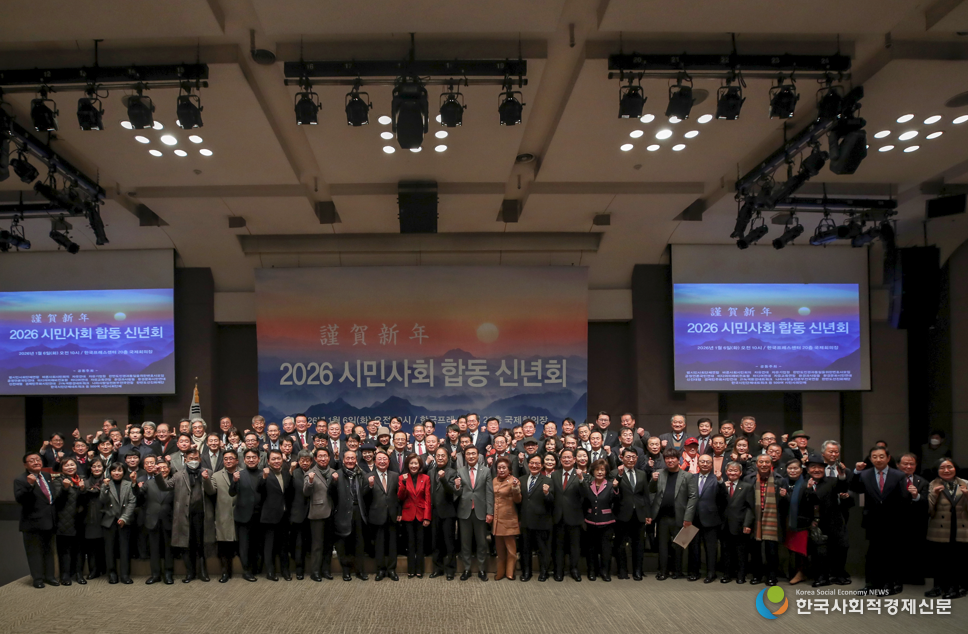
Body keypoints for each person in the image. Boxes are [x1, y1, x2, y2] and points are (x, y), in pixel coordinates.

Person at [850, 446, 908, 595]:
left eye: (881, 456)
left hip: (892, 521)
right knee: (872, 553)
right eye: (874, 457)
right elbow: (855, 488)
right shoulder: (864, 474)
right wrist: (856, 472)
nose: (878, 459)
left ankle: (889, 584)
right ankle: (871, 584)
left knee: (890, 553)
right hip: (872, 520)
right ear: (870, 459)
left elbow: (903, 498)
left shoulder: (899, 475)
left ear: (888, 458)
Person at [159, 447, 216, 583]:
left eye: (196, 459)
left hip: (202, 515)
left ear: (200, 459)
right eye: (190, 459)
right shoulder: (179, 475)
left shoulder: (207, 472)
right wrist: (157, 475)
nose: (193, 461)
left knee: (200, 544)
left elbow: (212, 492)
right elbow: (165, 486)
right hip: (184, 515)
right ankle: (190, 573)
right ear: (185, 460)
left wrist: (206, 479)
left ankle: (203, 572)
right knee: (187, 544)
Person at [803, 454, 850, 588]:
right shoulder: (804, 483)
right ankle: (821, 577)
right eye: (813, 467)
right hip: (814, 523)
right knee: (819, 553)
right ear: (808, 469)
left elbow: (842, 487)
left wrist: (842, 475)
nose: (816, 470)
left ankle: (838, 575)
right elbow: (805, 503)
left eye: (820, 467)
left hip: (834, 520)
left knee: (840, 549)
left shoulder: (832, 481)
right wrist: (808, 489)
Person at [650, 447, 698, 580]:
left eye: (673, 458)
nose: (670, 461)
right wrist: (653, 480)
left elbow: (693, 497)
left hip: (681, 516)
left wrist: (688, 517)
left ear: (678, 460)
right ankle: (663, 571)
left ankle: (677, 571)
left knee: (679, 545)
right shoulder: (659, 473)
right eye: (667, 458)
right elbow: (651, 491)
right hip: (662, 517)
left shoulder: (687, 476)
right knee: (663, 546)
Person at [925, 458, 968, 599]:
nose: (946, 470)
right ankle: (939, 587)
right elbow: (928, 510)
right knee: (940, 559)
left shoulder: (965, 483)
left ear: (955, 468)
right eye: (942, 468)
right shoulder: (933, 484)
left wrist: (967, 495)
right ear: (937, 470)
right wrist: (934, 494)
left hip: (961, 527)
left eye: (949, 467)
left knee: (958, 559)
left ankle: (957, 588)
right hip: (940, 528)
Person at [16, 453, 59, 588]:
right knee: (34, 552)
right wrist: (29, 485)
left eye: (38, 459)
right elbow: (21, 500)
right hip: (32, 522)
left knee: (48, 550)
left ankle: (50, 577)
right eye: (32, 460)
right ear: (25, 465)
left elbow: (50, 498)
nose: (36, 462)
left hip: (49, 520)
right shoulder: (21, 479)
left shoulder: (46, 476)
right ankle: (38, 579)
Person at [748, 454, 789, 587]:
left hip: (772, 519)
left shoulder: (780, 479)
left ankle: (772, 576)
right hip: (755, 518)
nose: (764, 465)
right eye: (761, 462)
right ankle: (757, 575)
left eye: (767, 462)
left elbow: (786, 504)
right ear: (756, 464)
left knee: (772, 550)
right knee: (755, 550)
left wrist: (785, 496)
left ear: (771, 464)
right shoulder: (749, 479)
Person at [455, 445, 493, 581]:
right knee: (465, 542)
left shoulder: (486, 471)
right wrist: (457, 486)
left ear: (478, 456)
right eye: (468, 454)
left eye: (473, 454)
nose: (471, 456)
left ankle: (482, 569)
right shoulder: (459, 471)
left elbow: (489, 492)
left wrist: (490, 512)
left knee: (481, 542)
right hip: (464, 511)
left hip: (481, 511)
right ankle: (467, 569)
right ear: (465, 456)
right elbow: (457, 493)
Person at [230, 448, 266, 582]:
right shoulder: (239, 474)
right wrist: (234, 481)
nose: (251, 460)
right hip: (243, 516)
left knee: (257, 544)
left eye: (254, 457)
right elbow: (231, 493)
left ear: (259, 459)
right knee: (244, 545)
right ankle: (246, 570)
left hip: (260, 516)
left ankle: (256, 567)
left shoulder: (263, 474)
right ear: (244, 460)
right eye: (248, 458)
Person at [332, 450, 368, 581]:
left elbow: (366, 494)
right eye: (348, 458)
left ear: (356, 460)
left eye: (353, 458)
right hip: (342, 512)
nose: (350, 461)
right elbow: (331, 495)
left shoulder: (361, 474)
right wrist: (333, 482)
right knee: (344, 544)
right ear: (343, 460)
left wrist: (369, 486)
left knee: (359, 543)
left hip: (358, 511)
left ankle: (360, 570)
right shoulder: (337, 474)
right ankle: (346, 571)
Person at [138, 456, 175, 584]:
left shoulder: (173, 482)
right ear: (155, 470)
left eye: (165, 467)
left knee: (168, 550)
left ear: (169, 469)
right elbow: (139, 498)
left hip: (168, 519)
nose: (162, 470)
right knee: (154, 550)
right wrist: (134, 485)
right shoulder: (149, 483)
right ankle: (155, 574)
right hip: (152, 519)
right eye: (160, 468)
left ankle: (168, 574)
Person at [257, 450, 293, 581]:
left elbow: (289, 492)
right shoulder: (263, 474)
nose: (276, 461)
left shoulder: (286, 473)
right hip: (269, 516)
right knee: (269, 546)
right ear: (268, 461)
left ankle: (285, 571)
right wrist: (264, 478)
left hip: (284, 516)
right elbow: (258, 490)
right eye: (273, 459)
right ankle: (270, 572)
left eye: (278, 458)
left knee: (284, 546)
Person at [581, 459, 618, 581]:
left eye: (602, 470)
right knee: (591, 548)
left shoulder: (611, 485)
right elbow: (584, 503)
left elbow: (616, 501)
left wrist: (616, 489)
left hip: (606, 521)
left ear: (606, 471)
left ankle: (605, 572)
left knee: (605, 549)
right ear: (593, 471)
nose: (600, 472)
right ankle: (592, 571)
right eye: (597, 469)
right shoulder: (588, 485)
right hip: (590, 520)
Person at [689, 454, 724, 583]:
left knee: (711, 548)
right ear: (698, 463)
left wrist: (720, 482)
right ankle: (694, 572)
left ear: (711, 464)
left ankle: (711, 573)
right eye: (702, 461)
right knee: (694, 547)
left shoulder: (717, 479)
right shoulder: (691, 478)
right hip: (693, 518)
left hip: (711, 519)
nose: (704, 464)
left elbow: (723, 497)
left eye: (707, 462)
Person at [365, 450, 399, 581]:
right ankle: (380, 570)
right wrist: (369, 486)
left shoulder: (395, 475)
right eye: (379, 459)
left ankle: (391, 570)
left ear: (389, 462)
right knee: (379, 545)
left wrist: (399, 512)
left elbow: (399, 496)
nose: (382, 461)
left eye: (385, 459)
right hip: (377, 515)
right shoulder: (368, 476)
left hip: (392, 515)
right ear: (375, 462)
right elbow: (363, 496)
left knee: (392, 545)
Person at [519, 454, 554, 582]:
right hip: (525, 520)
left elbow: (552, 501)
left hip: (541, 521)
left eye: (538, 463)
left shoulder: (548, 480)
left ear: (542, 465)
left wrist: (547, 493)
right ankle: (526, 572)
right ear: (528, 464)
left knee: (542, 549)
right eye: (532, 463)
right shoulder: (522, 479)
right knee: (525, 549)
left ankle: (544, 572)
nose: (534, 465)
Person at [100, 462, 136, 584]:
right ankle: (112, 574)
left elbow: (132, 502)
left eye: (119, 470)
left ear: (123, 472)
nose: (117, 473)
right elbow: (102, 500)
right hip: (109, 520)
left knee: (124, 549)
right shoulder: (106, 484)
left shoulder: (128, 484)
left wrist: (124, 518)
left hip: (124, 521)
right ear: (110, 472)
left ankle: (125, 575)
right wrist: (104, 488)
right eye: (114, 470)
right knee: (109, 549)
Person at [551, 448, 584, 582]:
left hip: (574, 516)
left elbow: (586, 494)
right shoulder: (554, 475)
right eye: (564, 457)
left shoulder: (580, 474)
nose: (566, 460)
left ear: (574, 459)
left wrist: (581, 480)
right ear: (560, 460)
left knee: (574, 546)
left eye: (569, 457)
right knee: (558, 546)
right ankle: (558, 570)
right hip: (558, 516)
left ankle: (574, 569)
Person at [51, 458, 86, 586]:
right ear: (62, 468)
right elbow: (57, 501)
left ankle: (79, 574)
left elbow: (84, 502)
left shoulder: (81, 480)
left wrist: (82, 490)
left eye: (72, 465)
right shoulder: (58, 481)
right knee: (64, 550)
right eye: (66, 465)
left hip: (80, 520)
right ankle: (65, 575)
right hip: (64, 520)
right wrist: (65, 488)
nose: (70, 467)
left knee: (79, 549)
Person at [303, 448, 336, 581]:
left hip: (331, 512)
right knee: (317, 544)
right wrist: (310, 482)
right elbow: (306, 492)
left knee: (329, 544)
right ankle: (315, 571)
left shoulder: (333, 472)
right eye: (320, 456)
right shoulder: (310, 473)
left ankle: (326, 570)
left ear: (329, 458)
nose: (323, 458)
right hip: (317, 512)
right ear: (315, 459)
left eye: (325, 456)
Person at [898, 452, 930, 587]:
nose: (908, 466)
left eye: (911, 464)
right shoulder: (892, 479)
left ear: (916, 466)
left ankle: (916, 577)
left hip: (917, 523)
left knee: (917, 551)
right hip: (897, 522)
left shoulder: (923, 482)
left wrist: (916, 496)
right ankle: (898, 578)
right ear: (898, 465)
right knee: (898, 551)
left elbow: (927, 502)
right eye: (905, 464)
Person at [719, 462, 754, 584]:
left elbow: (750, 507)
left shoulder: (747, 487)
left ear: (740, 473)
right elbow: (718, 502)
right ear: (726, 472)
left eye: (735, 470)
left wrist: (747, 524)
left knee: (741, 552)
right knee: (726, 551)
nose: (732, 473)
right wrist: (722, 488)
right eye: (730, 470)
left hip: (740, 524)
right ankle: (727, 574)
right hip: (724, 524)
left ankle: (741, 575)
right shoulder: (722, 485)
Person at [398, 454, 431, 578]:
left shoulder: (425, 478)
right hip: (408, 514)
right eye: (411, 463)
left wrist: (427, 517)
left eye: (416, 463)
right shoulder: (402, 477)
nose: (413, 466)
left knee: (420, 543)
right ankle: (411, 569)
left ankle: (419, 570)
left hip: (421, 514)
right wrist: (404, 483)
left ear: (420, 465)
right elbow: (400, 497)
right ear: (407, 465)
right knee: (410, 543)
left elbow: (428, 498)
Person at [490, 456, 522, 581]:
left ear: (509, 469)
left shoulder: (514, 481)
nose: (501, 470)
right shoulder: (494, 480)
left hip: (509, 518)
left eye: (504, 467)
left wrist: (515, 489)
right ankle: (500, 572)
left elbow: (518, 500)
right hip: (497, 519)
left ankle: (510, 572)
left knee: (511, 550)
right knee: (500, 550)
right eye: (499, 468)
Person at [428, 447, 458, 579]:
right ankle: (437, 568)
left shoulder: (452, 472)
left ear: (447, 458)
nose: (440, 458)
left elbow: (452, 491)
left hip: (448, 512)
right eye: (438, 455)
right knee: (435, 542)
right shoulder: (430, 472)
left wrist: (444, 479)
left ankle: (450, 570)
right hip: (434, 512)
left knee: (449, 543)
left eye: (443, 456)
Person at [208, 449, 238, 582]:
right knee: (224, 547)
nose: (228, 461)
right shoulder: (216, 476)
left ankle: (248, 571)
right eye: (225, 459)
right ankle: (225, 573)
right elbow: (210, 491)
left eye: (231, 458)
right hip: (223, 515)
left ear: (237, 460)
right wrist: (205, 480)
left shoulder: (243, 473)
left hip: (241, 514)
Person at [782, 460, 809, 585]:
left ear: (801, 470)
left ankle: (801, 572)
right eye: (790, 468)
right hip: (786, 521)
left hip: (801, 522)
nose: (792, 471)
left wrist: (786, 496)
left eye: (795, 468)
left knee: (800, 549)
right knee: (789, 549)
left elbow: (808, 503)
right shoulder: (783, 482)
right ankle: (792, 572)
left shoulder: (805, 483)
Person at [288, 450, 313, 579]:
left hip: (313, 512)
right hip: (297, 513)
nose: (305, 463)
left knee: (311, 541)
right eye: (302, 460)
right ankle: (299, 569)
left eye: (307, 460)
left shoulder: (315, 472)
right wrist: (290, 472)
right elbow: (287, 490)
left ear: (311, 462)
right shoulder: (294, 473)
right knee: (298, 543)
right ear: (298, 461)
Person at [82, 459, 107, 580]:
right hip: (89, 517)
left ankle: (104, 568)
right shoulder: (85, 482)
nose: (97, 469)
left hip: (105, 516)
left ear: (103, 468)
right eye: (94, 466)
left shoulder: (108, 481)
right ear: (90, 469)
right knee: (91, 546)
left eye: (99, 466)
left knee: (104, 545)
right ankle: (93, 570)